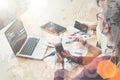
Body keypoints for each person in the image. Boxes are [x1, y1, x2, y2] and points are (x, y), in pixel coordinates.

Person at [54, 0, 120, 80]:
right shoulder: (114, 47)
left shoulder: (101, 65)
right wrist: (72, 57)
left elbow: (99, 62)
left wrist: (59, 68)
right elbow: (100, 55)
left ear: (106, 28)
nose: (97, 20)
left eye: (100, 17)